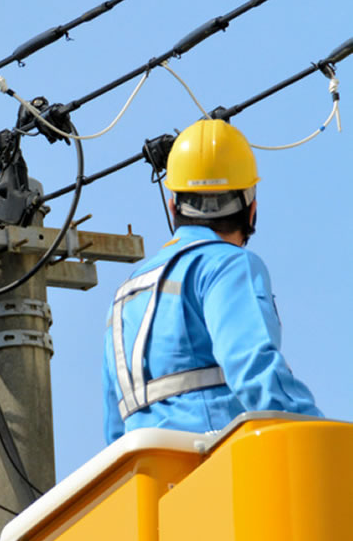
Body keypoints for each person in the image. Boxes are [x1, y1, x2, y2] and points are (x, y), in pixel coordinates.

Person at [102, 118, 321, 443]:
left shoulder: (125, 295)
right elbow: (253, 369)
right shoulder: (230, 265)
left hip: (146, 482)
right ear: (252, 209)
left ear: (173, 205)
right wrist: (321, 439)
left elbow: (115, 428)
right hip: (216, 469)